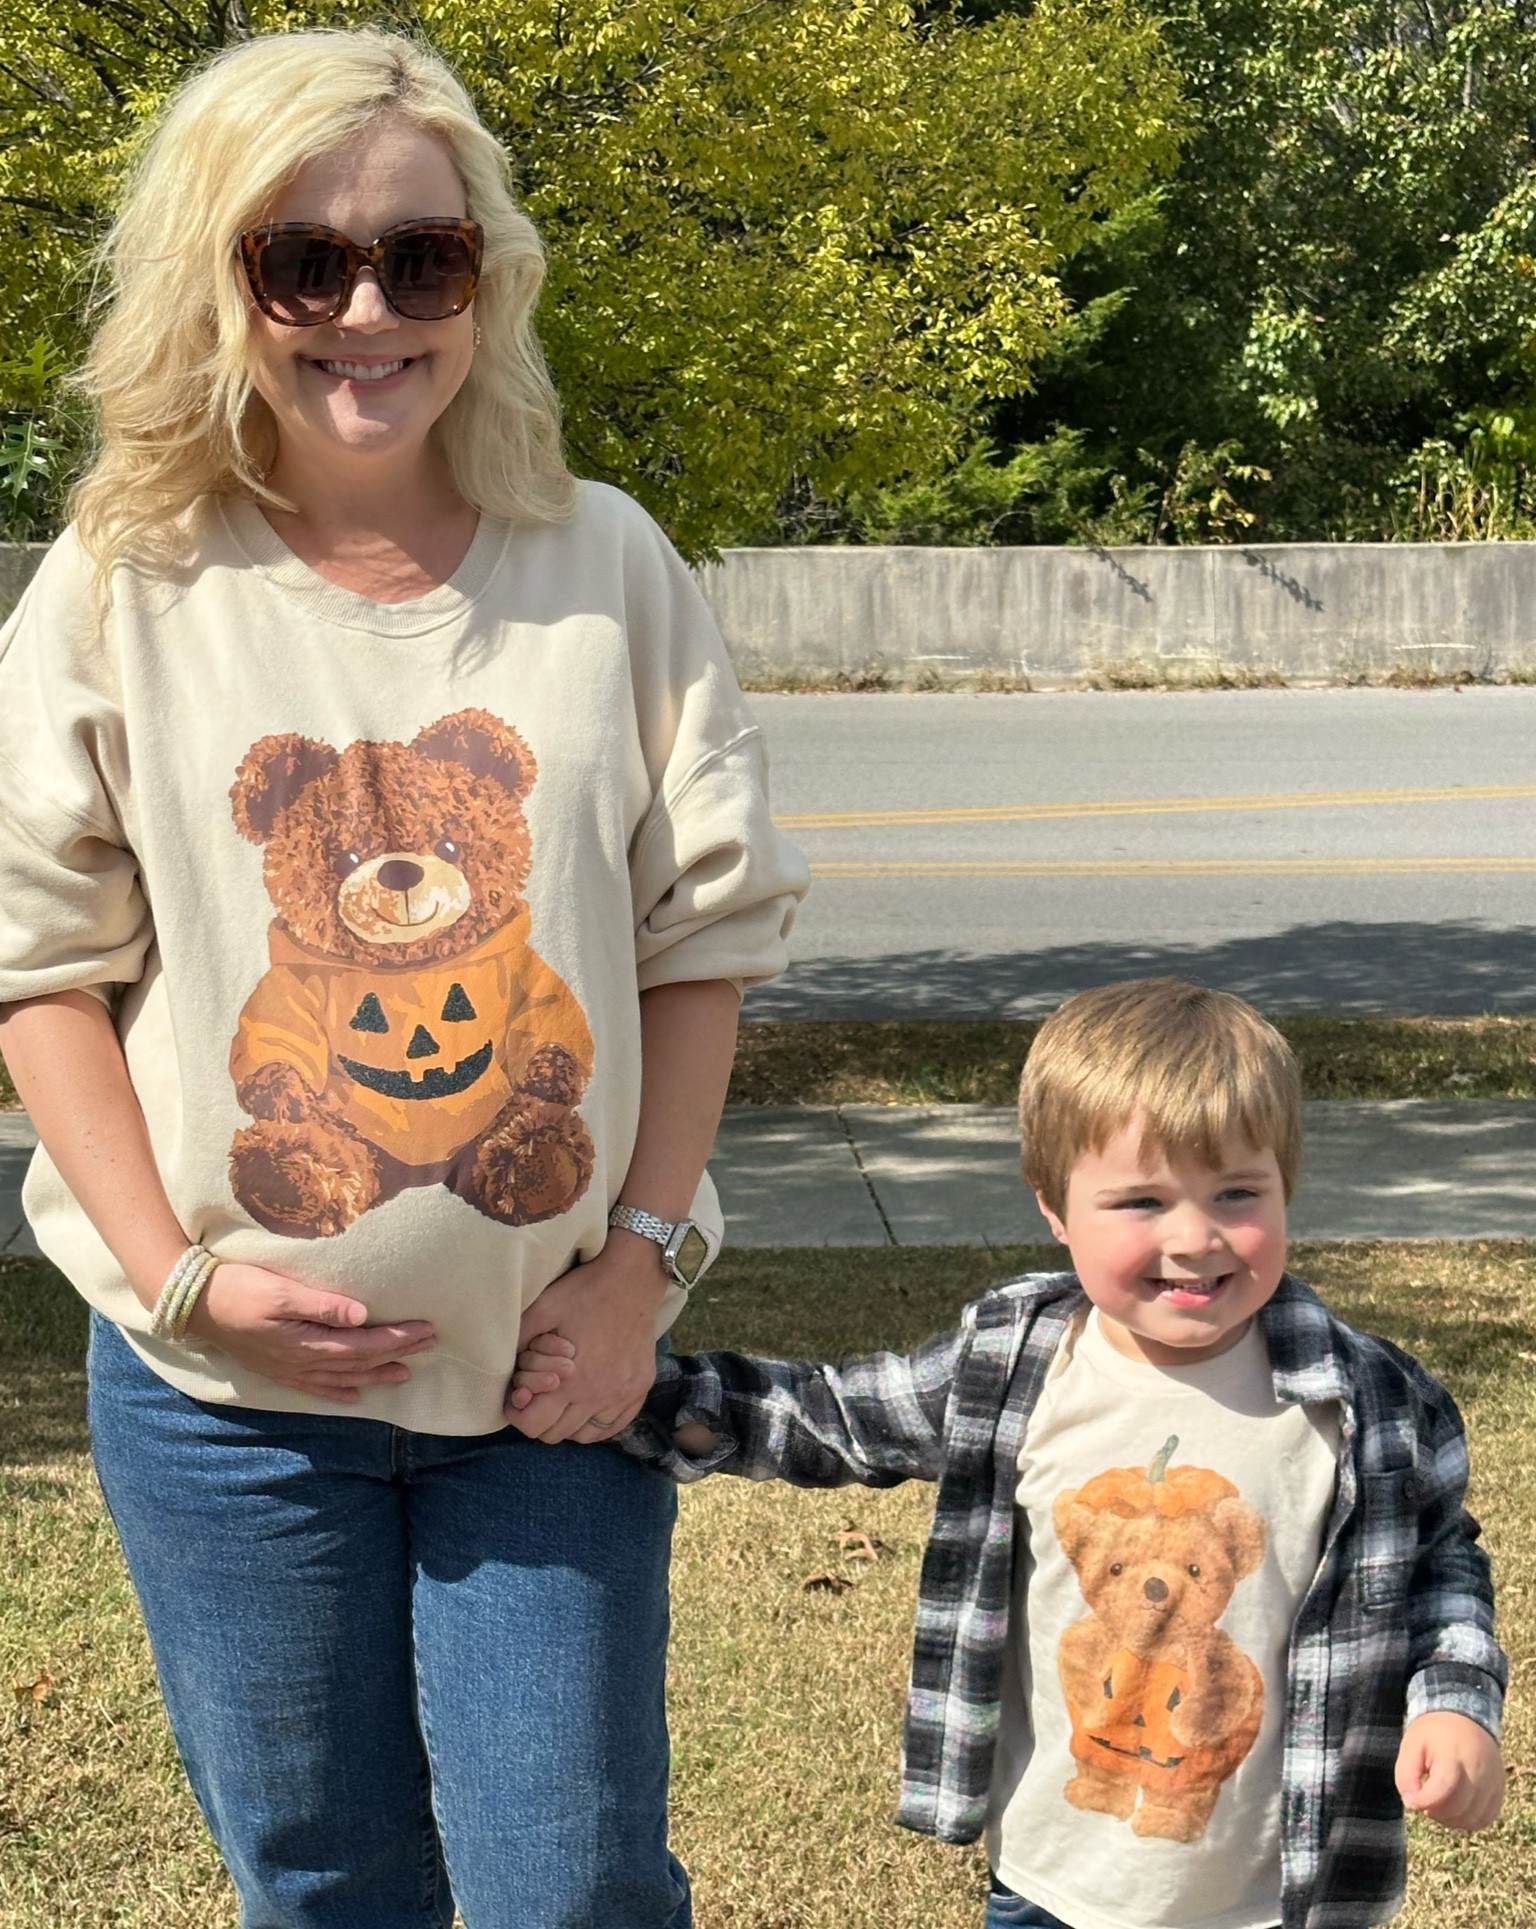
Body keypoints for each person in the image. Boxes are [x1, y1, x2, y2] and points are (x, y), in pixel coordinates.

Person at [0, 26, 806, 1929]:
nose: (368, 310)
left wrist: (637, 1269)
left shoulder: (600, 565)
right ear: (224, 280)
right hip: (222, 1407)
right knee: (324, 1876)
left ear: (485, 279)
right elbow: (40, 968)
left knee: (575, 1879)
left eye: (421, 258)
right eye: (305, 261)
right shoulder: (123, 581)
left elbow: (700, 940)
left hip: (548, 1377)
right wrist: (187, 1276)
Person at [519, 976, 1507, 1929]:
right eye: (1141, 1203)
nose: (1197, 1237)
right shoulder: (1019, 1365)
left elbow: (1441, 1565)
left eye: (1239, 1193)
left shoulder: (1364, 1396)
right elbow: (827, 1419)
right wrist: (628, 1393)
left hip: (1279, 1896)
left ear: (1287, 1185)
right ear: (1053, 1206)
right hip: (1052, 1886)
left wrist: (1457, 1706)